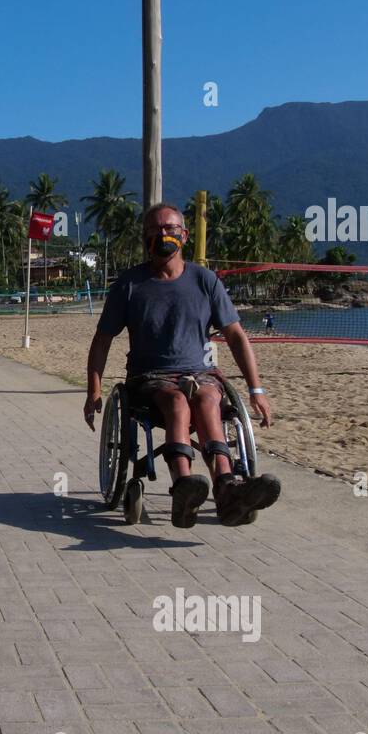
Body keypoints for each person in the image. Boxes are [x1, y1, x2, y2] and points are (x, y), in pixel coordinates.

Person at [84, 203, 281, 528]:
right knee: (176, 401)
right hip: (150, 379)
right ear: (144, 237)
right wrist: (93, 391)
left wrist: (256, 390)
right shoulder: (130, 285)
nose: (163, 235)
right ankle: (184, 487)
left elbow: (235, 336)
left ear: (184, 235)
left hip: (201, 373)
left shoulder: (205, 281)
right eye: (155, 229)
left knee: (207, 399)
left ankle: (226, 487)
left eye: (170, 228)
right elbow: (102, 340)